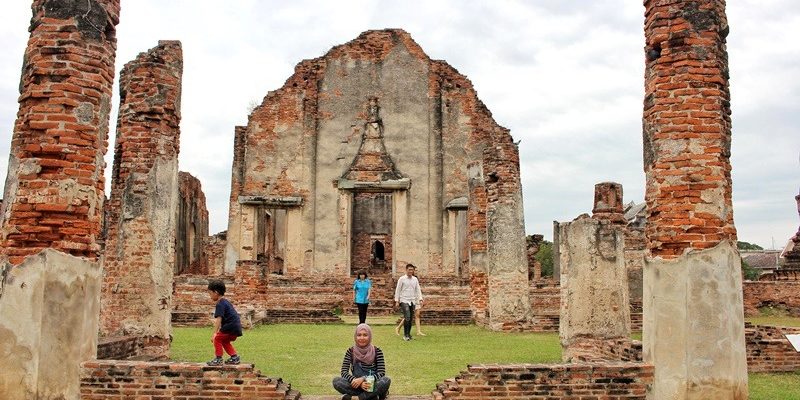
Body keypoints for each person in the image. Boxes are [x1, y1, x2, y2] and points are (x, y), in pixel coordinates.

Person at [332, 324, 391, 400]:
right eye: (359, 335)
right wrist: (358, 382)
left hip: (372, 385)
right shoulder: (351, 351)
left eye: (365, 335)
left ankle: (358, 398)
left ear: (369, 336)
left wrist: (363, 379)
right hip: (357, 385)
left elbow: (381, 373)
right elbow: (344, 372)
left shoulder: (377, 351)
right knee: (337, 381)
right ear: (355, 337)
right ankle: (371, 396)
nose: (362, 338)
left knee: (386, 380)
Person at [206, 280, 243, 366]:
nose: (210, 296)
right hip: (236, 327)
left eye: (210, 294)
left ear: (216, 292)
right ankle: (234, 357)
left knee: (217, 339)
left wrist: (215, 333)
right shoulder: (226, 302)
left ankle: (218, 359)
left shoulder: (220, 304)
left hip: (230, 326)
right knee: (225, 341)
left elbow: (219, 319)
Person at [394, 264, 423, 341]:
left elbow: (418, 289)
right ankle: (405, 335)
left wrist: (420, 298)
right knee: (407, 316)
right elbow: (398, 290)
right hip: (404, 300)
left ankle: (409, 334)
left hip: (412, 300)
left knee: (410, 319)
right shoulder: (402, 279)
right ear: (406, 270)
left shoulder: (415, 279)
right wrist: (397, 300)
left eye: (412, 270)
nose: (411, 271)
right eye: (409, 269)